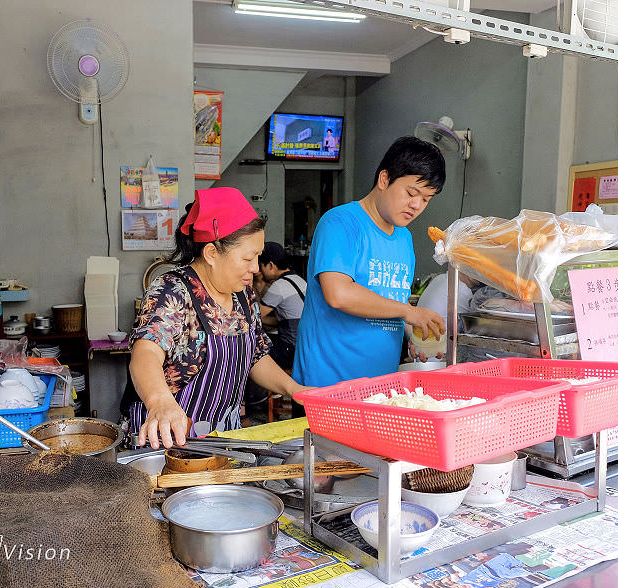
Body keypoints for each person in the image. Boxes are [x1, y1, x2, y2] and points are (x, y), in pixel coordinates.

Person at [124, 187, 308, 448]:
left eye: (258, 257)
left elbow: (256, 356)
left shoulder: (243, 295)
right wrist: (160, 402)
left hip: (223, 441)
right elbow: (146, 353)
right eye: (247, 258)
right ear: (211, 253)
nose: (255, 268)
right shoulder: (172, 291)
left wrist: (294, 389)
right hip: (168, 441)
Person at [293, 137, 447, 387]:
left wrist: (414, 336)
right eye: (411, 192)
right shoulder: (340, 223)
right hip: (328, 381)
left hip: (379, 383)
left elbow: (394, 301)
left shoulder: (404, 238)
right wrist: (410, 312)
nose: (416, 205)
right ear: (384, 179)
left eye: (426, 199)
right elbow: (338, 294)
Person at [256, 241, 307, 370]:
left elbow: (254, 315)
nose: (259, 271)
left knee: (256, 354)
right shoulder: (299, 280)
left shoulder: (279, 286)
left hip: (290, 350)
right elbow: (287, 319)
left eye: (261, 266)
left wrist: (257, 284)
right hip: (304, 346)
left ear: (271, 265)